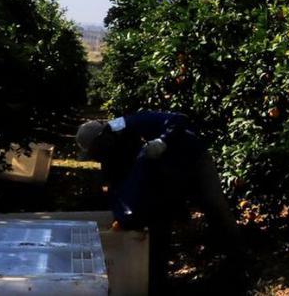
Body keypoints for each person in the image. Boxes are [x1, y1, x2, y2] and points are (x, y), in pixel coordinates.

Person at [76, 110, 241, 292]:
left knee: (213, 204)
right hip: (168, 174)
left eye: (95, 151)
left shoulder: (127, 124)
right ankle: (156, 279)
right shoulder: (110, 154)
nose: (96, 157)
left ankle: (236, 259)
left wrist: (163, 140)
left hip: (192, 158)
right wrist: (121, 215)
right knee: (158, 218)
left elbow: (179, 118)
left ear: (103, 139)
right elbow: (116, 187)